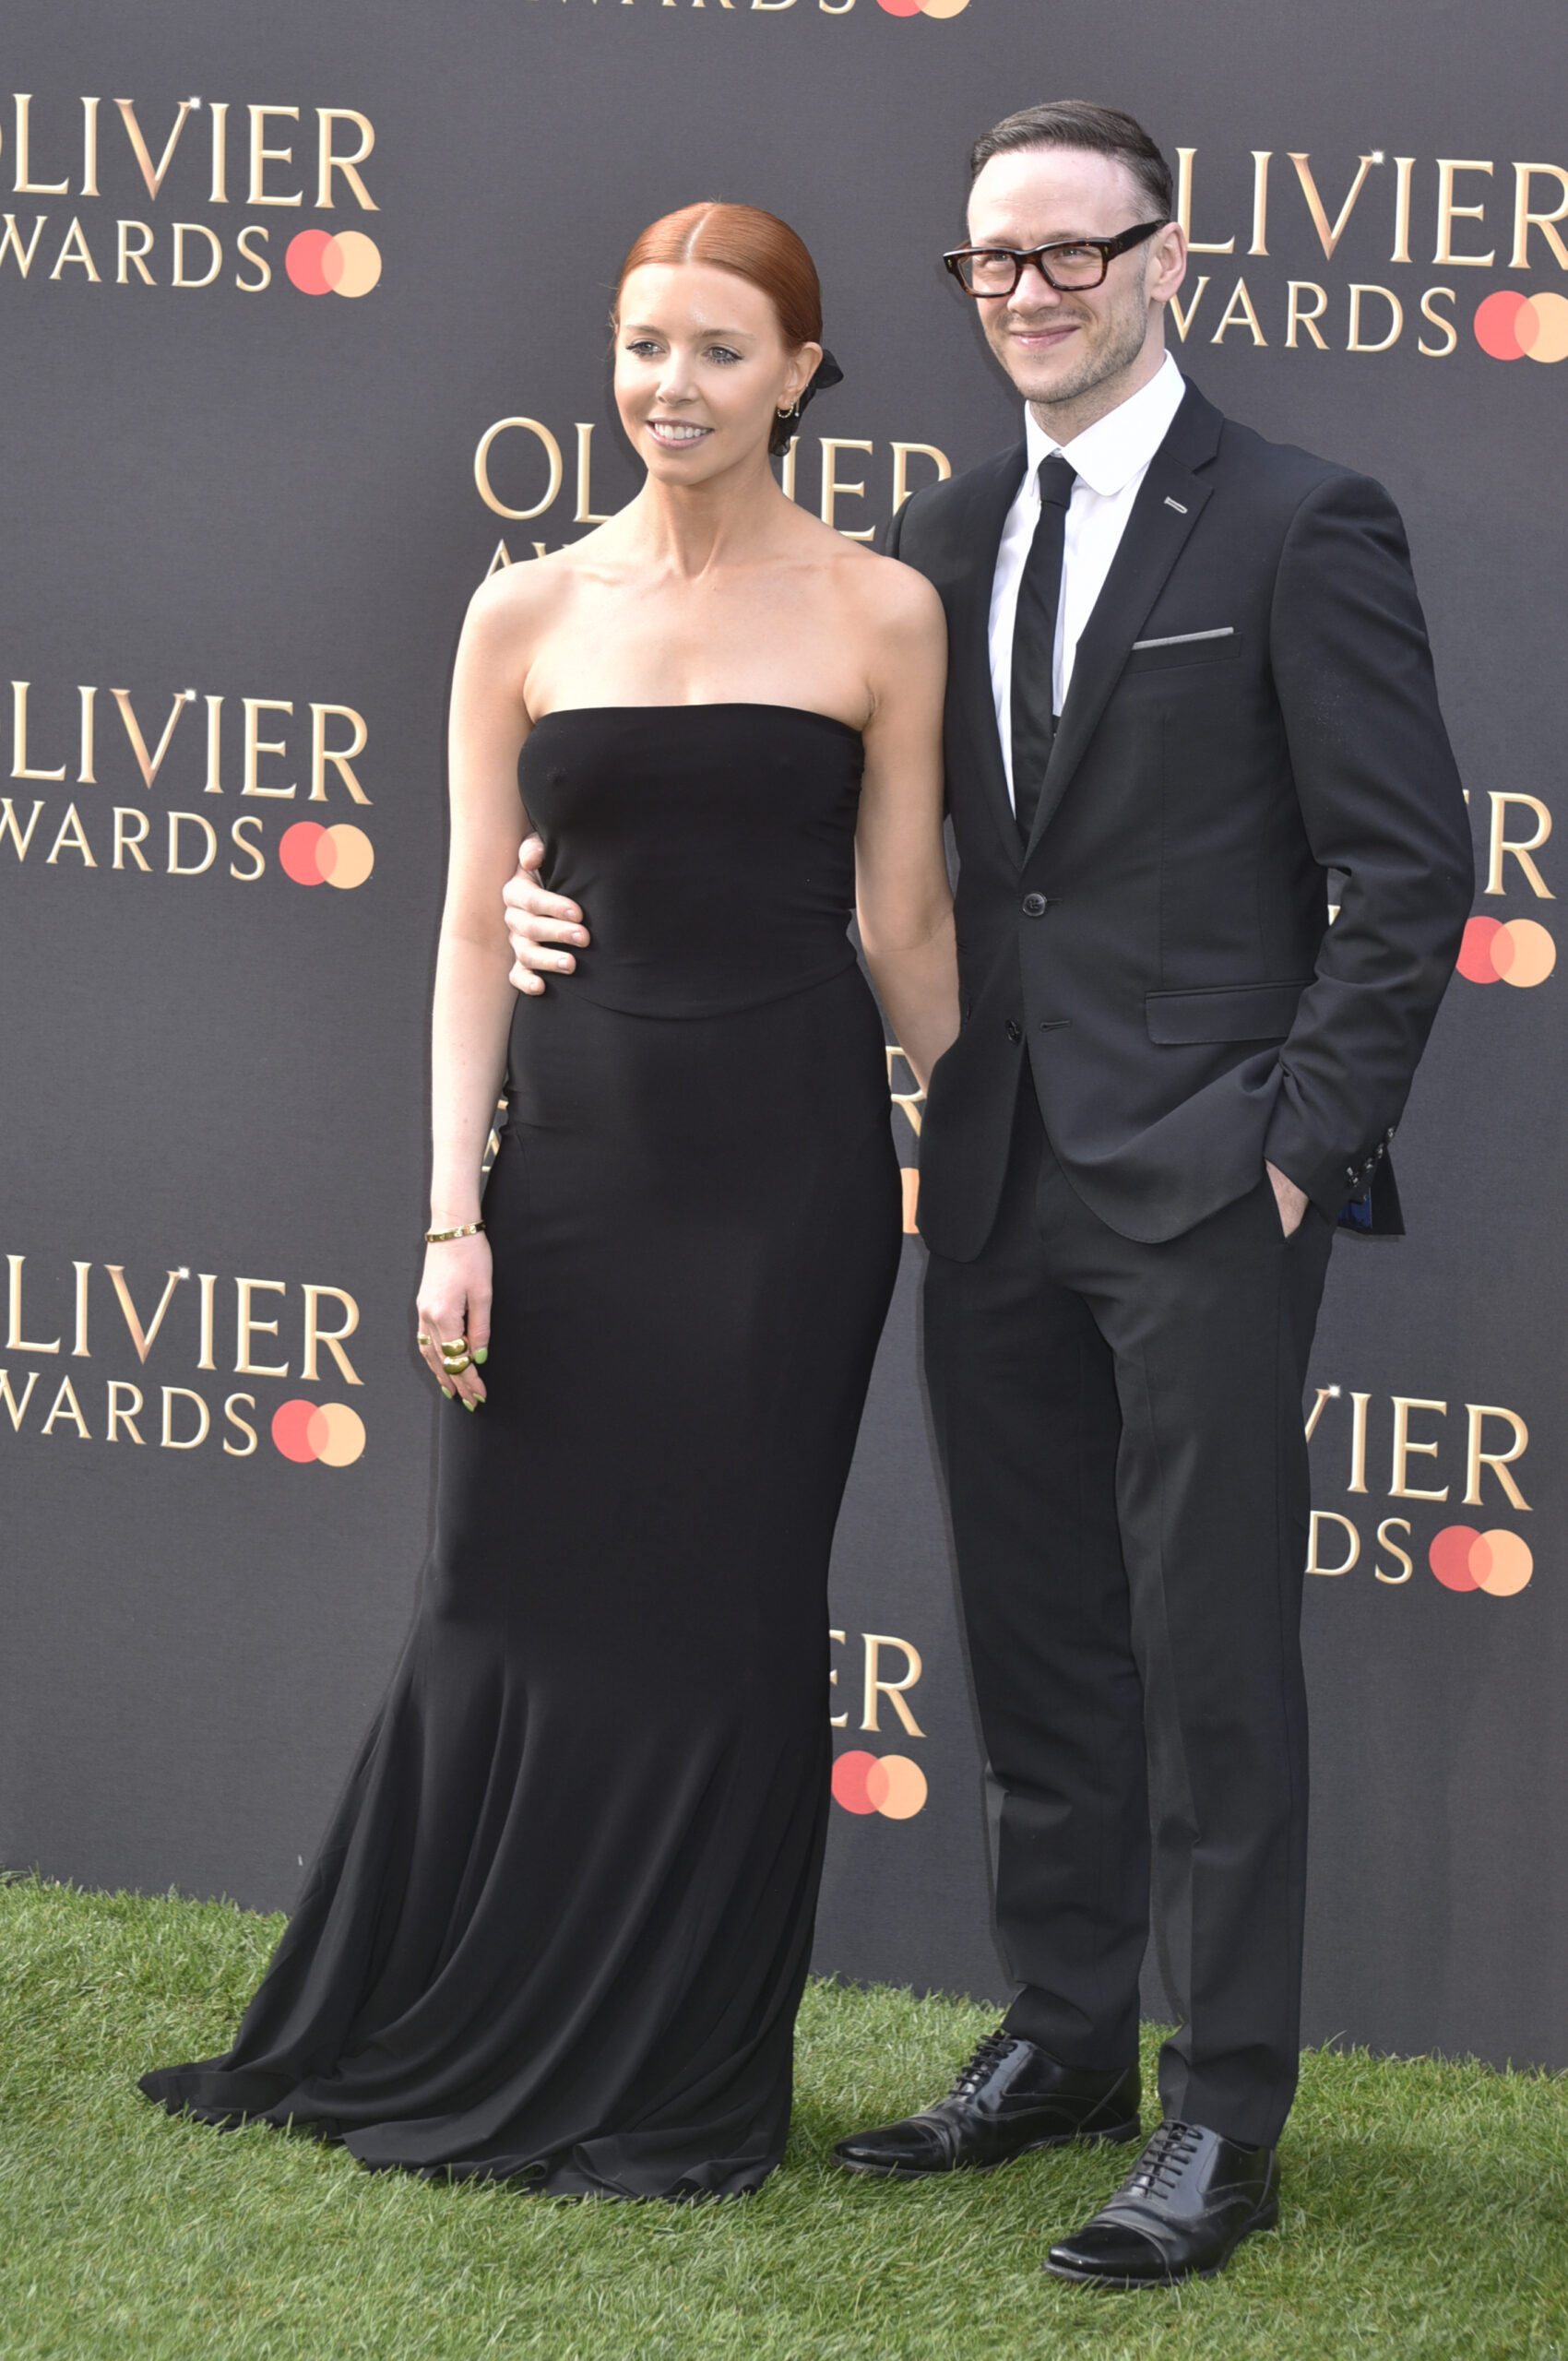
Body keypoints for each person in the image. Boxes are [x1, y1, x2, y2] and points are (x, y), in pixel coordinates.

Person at [504, 107, 1473, 2281]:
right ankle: (1061, 2036)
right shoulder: (935, 536)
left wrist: (1298, 1144)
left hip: (1213, 1177)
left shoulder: (1302, 523)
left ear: (1169, 262)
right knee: (1038, 1632)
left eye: (1070, 252)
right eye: (988, 265)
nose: (1027, 293)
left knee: (1208, 1648)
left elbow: (1411, 874)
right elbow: (759, 783)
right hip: (992, 1152)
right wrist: (531, 880)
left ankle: (1224, 2118)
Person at [139, 201, 956, 2201]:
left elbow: (908, 917)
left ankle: (679, 2076)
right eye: (641, 345)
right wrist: (450, 1211)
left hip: (787, 1178)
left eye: (717, 351)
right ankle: (444, 2008)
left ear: (801, 375)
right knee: (501, 1591)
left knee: (733, 1618)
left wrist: (1003, 1137)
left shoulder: (879, 611)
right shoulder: (521, 609)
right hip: (569, 1164)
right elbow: (461, 927)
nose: (670, 386)